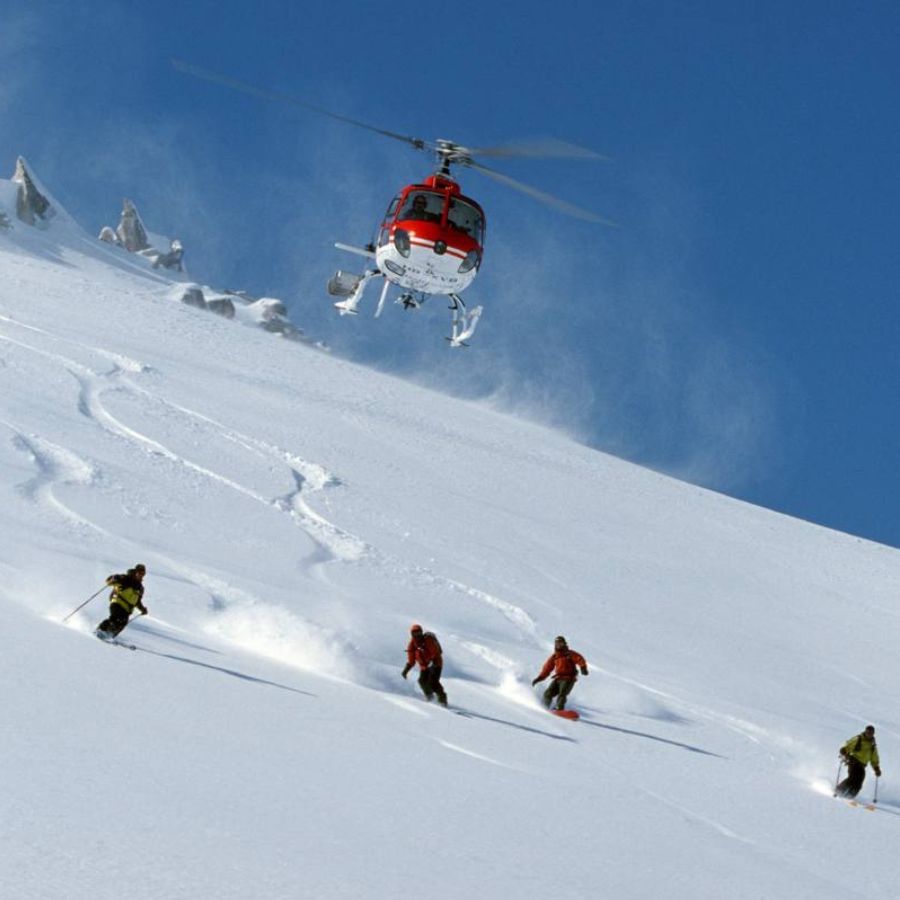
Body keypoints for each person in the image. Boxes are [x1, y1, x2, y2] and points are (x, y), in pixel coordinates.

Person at [531, 636, 588, 711]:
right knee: (548, 693)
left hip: (569, 678)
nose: (558, 645)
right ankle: (544, 707)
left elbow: (579, 659)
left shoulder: (569, 654)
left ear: (564, 644)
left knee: (562, 694)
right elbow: (547, 668)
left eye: (560, 643)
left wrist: (583, 667)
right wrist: (540, 678)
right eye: (557, 643)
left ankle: (559, 709)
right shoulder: (555, 656)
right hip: (558, 678)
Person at [96, 564, 148, 639]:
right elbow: (109, 581)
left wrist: (142, 609)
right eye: (139, 573)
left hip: (127, 609)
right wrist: (113, 579)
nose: (141, 575)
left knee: (122, 623)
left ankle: (110, 636)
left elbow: (137, 601)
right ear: (136, 572)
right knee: (115, 618)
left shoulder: (140, 588)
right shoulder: (126, 578)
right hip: (117, 602)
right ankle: (100, 630)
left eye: (143, 574)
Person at [401, 623, 447, 706]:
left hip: (436, 663)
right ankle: (430, 697)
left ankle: (442, 700)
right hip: (424, 666)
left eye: (418, 633)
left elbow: (435, 652)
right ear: (411, 634)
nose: (417, 635)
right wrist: (405, 671)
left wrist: (432, 662)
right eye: (414, 633)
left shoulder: (428, 639)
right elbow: (411, 661)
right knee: (422, 681)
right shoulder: (412, 645)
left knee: (433, 682)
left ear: (421, 632)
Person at [836, 725, 882, 798]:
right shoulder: (859, 739)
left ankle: (850, 796)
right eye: (867, 732)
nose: (869, 735)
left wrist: (876, 768)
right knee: (853, 778)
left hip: (862, 765)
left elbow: (874, 759)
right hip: (853, 761)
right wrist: (844, 750)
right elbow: (849, 744)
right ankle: (838, 791)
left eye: (871, 733)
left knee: (859, 781)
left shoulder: (872, 745)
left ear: (873, 734)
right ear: (865, 732)